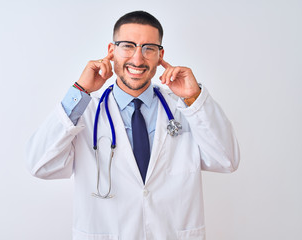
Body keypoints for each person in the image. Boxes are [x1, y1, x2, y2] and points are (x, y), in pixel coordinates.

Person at [26, 10, 240, 240]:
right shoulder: (85, 112)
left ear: (160, 55)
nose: (138, 59)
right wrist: (79, 91)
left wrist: (194, 98)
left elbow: (227, 160)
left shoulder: (185, 108)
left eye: (149, 48)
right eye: (128, 46)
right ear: (111, 51)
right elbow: (39, 165)